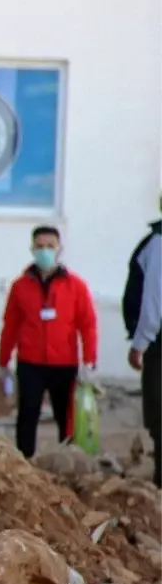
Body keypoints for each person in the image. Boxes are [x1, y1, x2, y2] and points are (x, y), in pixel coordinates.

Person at [0, 225, 97, 458]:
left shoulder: (76, 286)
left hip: (64, 363)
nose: (45, 251)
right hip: (30, 362)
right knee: (27, 415)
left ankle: (69, 462)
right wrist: (3, 361)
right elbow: (10, 325)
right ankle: (24, 464)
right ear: (32, 249)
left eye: (50, 247)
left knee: (66, 418)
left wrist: (90, 360)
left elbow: (88, 324)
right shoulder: (20, 286)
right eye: (40, 247)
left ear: (59, 249)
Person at [125, 206, 162, 485]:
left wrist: (140, 343)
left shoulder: (157, 243)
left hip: (159, 345)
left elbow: (153, 302)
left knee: (159, 413)